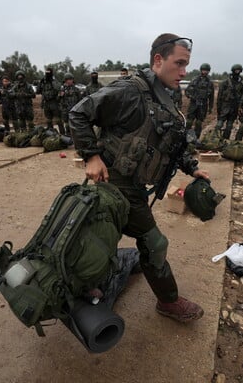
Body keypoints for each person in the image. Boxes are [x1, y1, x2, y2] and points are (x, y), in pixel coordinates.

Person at [69, 33, 208, 323]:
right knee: (154, 243)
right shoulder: (130, 91)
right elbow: (78, 114)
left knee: (104, 240)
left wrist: (191, 168)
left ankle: (87, 285)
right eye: (179, 64)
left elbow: (170, 142)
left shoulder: (164, 96)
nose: (184, 73)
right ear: (158, 60)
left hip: (134, 186)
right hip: (115, 183)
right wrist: (91, 155)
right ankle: (168, 302)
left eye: (187, 65)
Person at [185, 63, 214, 138]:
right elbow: (187, 91)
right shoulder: (195, 80)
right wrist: (191, 96)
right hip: (193, 104)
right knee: (189, 122)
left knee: (198, 123)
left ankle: (196, 138)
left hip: (203, 105)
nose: (205, 72)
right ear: (201, 70)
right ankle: (184, 136)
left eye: (207, 71)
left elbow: (211, 97)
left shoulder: (210, 83)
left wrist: (210, 108)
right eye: (204, 70)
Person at [216, 64, 243, 140]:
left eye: (239, 71)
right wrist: (219, 108)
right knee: (219, 124)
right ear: (233, 71)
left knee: (229, 126)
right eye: (236, 70)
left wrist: (241, 107)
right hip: (225, 105)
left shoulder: (241, 84)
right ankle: (215, 138)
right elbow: (219, 96)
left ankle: (225, 140)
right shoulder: (225, 83)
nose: (237, 72)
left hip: (234, 107)